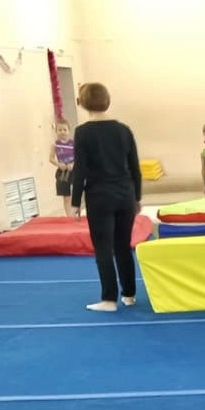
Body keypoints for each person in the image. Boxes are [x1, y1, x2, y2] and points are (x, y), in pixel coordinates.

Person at [69, 83, 143, 312]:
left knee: (103, 247)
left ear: (82, 103)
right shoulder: (124, 130)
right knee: (123, 246)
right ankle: (129, 294)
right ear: (107, 100)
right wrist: (137, 197)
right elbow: (135, 167)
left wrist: (75, 202)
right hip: (125, 195)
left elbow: (80, 170)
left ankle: (109, 299)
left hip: (100, 197)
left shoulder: (83, 132)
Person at [49, 119, 76, 217]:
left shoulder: (73, 143)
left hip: (74, 170)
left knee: (76, 193)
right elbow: (51, 158)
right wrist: (58, 164)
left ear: (69, 131)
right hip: (63, 172)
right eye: (60, 130)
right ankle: (69, 217)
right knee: (66, 196)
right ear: (56, 131)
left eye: (65, 130)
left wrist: (73, 164)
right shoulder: (55, 144)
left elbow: (79, 157)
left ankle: (75, 213)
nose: (62, 132)